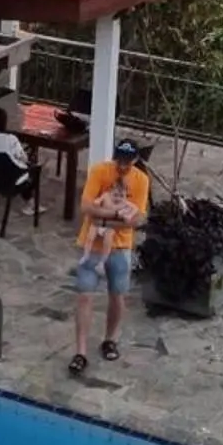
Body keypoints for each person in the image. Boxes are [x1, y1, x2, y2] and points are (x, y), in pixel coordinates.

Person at [69, 138, 149, 375]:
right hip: (91, 244)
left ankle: (110, 339)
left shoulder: (141, 180)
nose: (122, 166)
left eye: (127, 162)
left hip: (121, 247)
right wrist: (114, 215)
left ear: (135, 160)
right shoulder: (99, 171)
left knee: (117, 295)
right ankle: (80, 352)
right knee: (84, 296)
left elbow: (135, 220)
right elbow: (86, 208)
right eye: (119, 160)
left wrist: (103, 219)